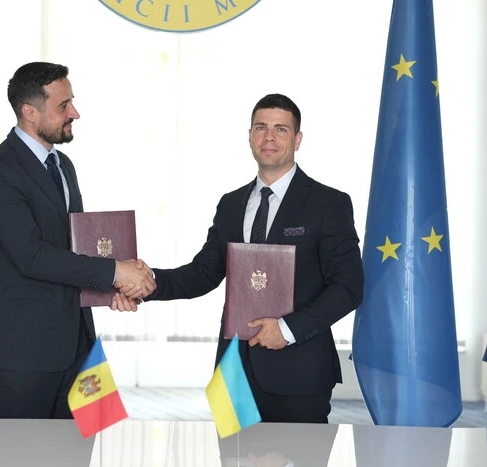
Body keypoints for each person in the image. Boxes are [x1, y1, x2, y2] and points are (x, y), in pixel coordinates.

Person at [115, 94, 364, 423]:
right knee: (231, 452)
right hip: (233, 374)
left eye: (281, 129)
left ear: (298, 139)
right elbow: (204, 273)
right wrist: (147, 282)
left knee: (295, 452)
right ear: (249, 136)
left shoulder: (328, 204)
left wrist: (287, 329)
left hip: (297, 374)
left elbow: (348, 287)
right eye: (261, 127)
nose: (269, 137)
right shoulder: (231, 204)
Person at [0, 62, 154, 419]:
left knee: (79, 446)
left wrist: (112, 288)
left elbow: (74, 250)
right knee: (23, 449)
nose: (75, 113)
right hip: (23, 355)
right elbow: (32, 257)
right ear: (30, 112)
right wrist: (115, 271)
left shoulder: (63, 165)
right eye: (63, 105)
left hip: (78, 348)